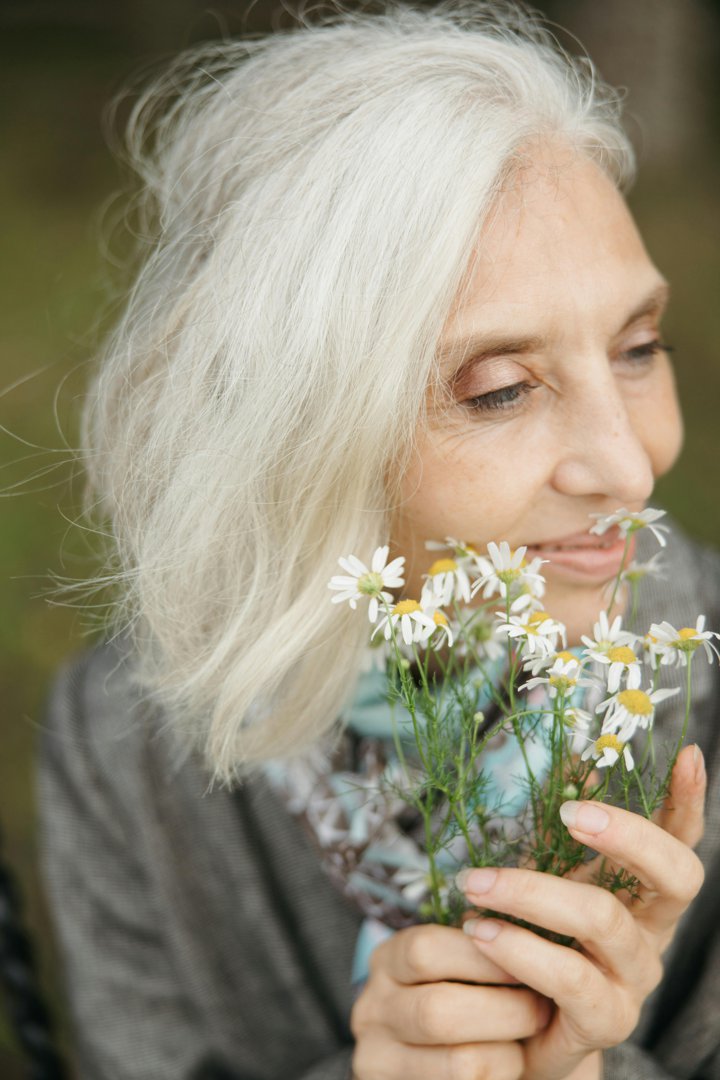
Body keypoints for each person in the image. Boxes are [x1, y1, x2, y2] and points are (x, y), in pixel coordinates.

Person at [36, 3, 720, 1078]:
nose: (632, 469)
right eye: (499, 390)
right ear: (291, 431)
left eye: (640, 347)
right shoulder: (120, 741)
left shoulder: (695, 699)